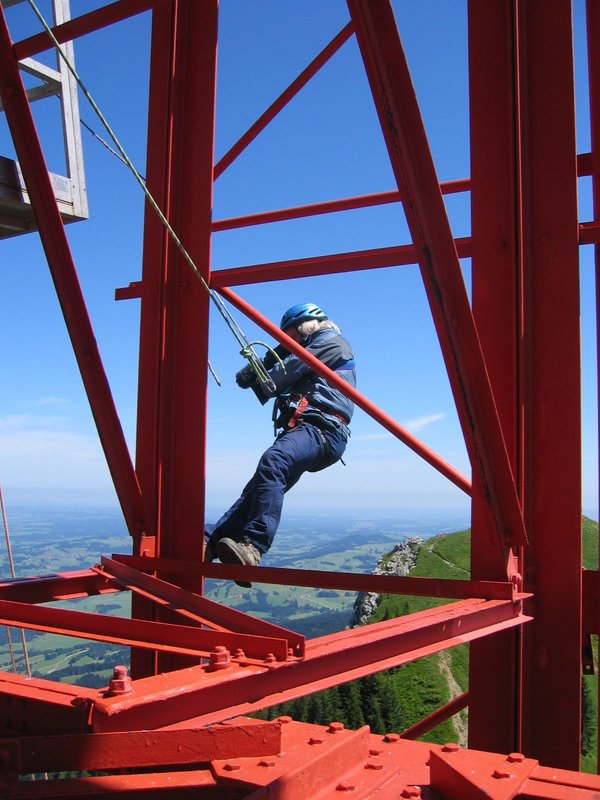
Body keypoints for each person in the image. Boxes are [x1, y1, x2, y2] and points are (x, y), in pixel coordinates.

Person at [205, 303, 356, 582]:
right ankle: (211, 541)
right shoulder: (318, 344)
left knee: (274, 461)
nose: (288, 342)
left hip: (321, 429)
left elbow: (281, 377)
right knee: (259, 488)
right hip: (309, 429)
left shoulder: (332, 343)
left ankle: (253, 547)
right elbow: (291, 359)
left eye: (290, 336)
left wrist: (263, 367)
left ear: (304, 327)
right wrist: (268, 362)